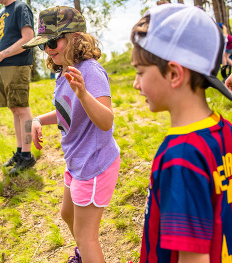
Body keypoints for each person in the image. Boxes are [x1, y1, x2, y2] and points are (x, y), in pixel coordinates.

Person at [130, 4, 232, 263]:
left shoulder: (181, 158)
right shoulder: (225, 130)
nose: (135, 83)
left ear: (174, 73)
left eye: (140, 72)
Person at [23, 6, 120, 263]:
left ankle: (86, 254)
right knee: (68, 214)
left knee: (86, 235)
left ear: (76, 37)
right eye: (43, 45)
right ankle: (85, 254)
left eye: (53, 41)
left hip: (95, 163)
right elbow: (68, 111)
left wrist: (84, 94)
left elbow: (106, 121)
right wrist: (38, 120)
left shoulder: (90, 71)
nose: (48, 49)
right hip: (77, 160)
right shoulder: (64, 71)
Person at [0, 0, 36, 176]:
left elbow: (28, 37)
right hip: (4, 67)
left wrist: (2, 54)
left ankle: (27, 156)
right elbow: (6, 41)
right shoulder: (3, 13)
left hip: (17, 65)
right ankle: (21, 152)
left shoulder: (21, 7)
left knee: (22, 108)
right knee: (14, 109)